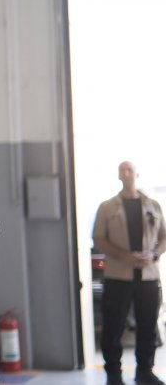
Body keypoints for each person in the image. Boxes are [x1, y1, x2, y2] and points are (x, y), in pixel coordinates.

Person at [93, 161, 166, 385]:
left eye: (130, 169)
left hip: (148, 277)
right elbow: (99, 238)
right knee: (113, 327)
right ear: (118, 176)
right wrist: (124, 256)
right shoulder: (107, 207)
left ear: (137, 174)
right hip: (118, 277)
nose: (126, 173)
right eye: (122, 170)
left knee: (148, 326)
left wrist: (154, 254)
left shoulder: (153, 205)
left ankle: (145, 371)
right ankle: (113, 375)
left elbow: (164, 237)